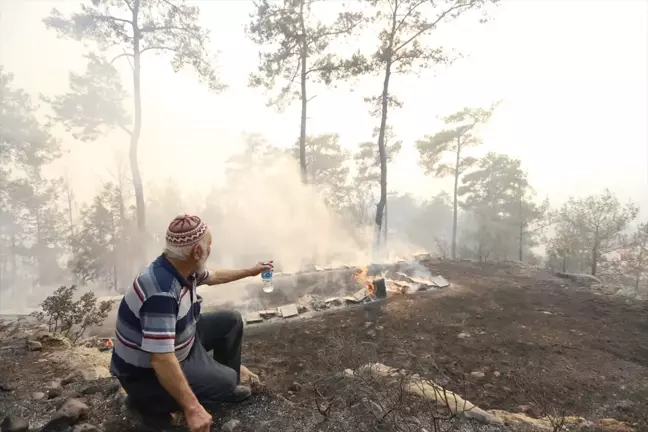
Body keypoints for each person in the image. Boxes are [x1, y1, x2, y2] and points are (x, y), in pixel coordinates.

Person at [110, 214, 273, 432]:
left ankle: (223, 386)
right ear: (197, 251)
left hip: (182, 342)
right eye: (209, 244)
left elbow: (215, 276)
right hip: (145, 375)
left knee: (231, 321)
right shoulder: (162, 292)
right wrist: (193, 409)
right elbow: (161, 359)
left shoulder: (181, 267)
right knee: (226, 381)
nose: (211, 248)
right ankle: (150, 406)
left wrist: (253, 270)